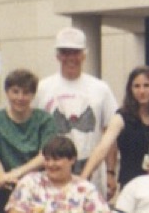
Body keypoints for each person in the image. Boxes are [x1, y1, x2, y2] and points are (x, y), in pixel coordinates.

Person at [35, 26, 119, 195]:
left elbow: (109, 134)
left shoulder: (100, 88)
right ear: (58, 55)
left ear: (84, 55)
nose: (70, 58)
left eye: (75, 52)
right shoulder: (43, 87)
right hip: (52, 170)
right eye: (65, 52)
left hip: (92, 171)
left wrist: (111, 172)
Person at [0, 69, 57, 213]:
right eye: (15, 91)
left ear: (33, 95)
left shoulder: (44, 120)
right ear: (7, 92)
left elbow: (45, 155)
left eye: (26, 92)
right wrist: (1, 177)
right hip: (6, 186)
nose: (20, 97)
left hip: (38, 187)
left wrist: (18, 173)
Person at [81, 65, 149, 197]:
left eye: (147, 85)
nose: (142, 91)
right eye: (137, 86)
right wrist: (84, 175)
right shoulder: (121, 117)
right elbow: (103, 146)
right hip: (131, 185)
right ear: (130, 89)